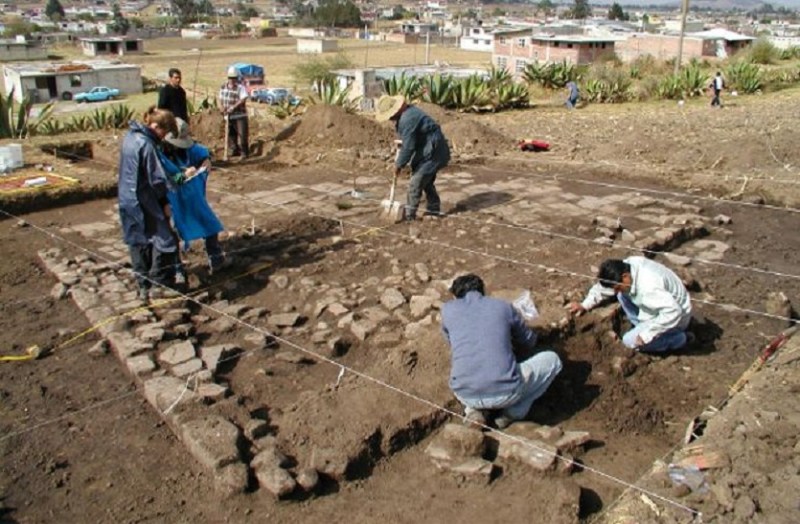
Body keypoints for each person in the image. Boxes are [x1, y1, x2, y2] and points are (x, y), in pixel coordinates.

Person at [441, 274, 563, 429]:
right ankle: (511, 414)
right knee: (553, 360)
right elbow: (529, 341)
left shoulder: (447, 310)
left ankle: (473, 412)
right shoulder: (502, 306)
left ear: (454, 296)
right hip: (507, 394)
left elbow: (451, 341)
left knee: (465, 370)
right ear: (482, 291)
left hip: (465, 394)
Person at [117, 107, 179, 301]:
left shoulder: (130, 137)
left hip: (127, 198)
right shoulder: (146, 145)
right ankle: (160, 284)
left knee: (138, 241)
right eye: (164, 132)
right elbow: (157, 179)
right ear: (156, 126)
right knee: (166, 241)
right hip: (145, 200)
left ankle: (143, 286)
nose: (163, 137)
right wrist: (165, 201)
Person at [568, 257, 693, 353]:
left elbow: (673, 311)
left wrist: (647, 335)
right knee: (621, 295)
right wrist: (584, 305)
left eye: (618, 287)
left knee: (629, 341)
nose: (616, 291)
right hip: (660, 305)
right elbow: (605, 287)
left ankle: (679, 339)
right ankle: (639, 325)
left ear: (625, 276)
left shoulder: (648, 287)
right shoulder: (628, 266)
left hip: (676, 317)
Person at [157, 118, 229, 275]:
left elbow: (202, 152)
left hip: (192, 196)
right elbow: (163, 183)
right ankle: (177, 269)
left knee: (209, 224)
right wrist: (182, 176)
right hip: (171, 201)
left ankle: (215, 258)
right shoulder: (158, 156)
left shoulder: (187, 150)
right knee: (173, 234)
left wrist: (206, 161)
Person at [375, 95, 450, 221]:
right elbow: (409, 139)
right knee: (426, 181)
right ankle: (433, 209)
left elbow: (409, 147)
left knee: (416, 182)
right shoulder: (407, 114)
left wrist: (399, 165)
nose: (389, 118)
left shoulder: (407, 119)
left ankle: (410, 216)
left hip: (434, 151)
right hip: (430, 149)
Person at [218, 66, 250, 159]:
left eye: (234, 78)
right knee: (231, 134)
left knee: (242, 134)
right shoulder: (223, 87)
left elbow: (243, 99)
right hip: (228, 115)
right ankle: (234, 150)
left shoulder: (240, 88)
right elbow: (219, 98)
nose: (232, 80)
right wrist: (221, 107)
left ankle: (244, 152)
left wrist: (234, 107)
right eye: (230, 78)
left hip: (240, 115)